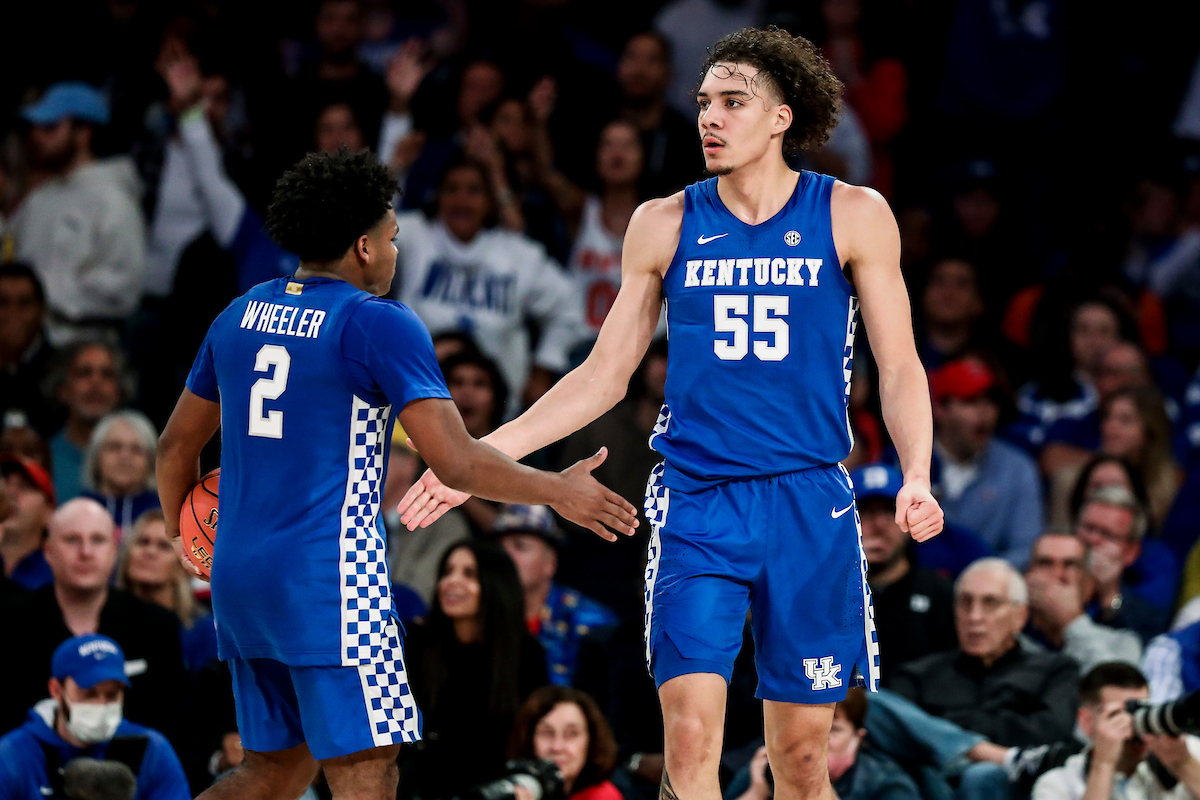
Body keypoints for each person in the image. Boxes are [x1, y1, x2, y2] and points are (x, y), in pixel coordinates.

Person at [399, 27, 945, 800]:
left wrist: (917, 474)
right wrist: (476, 459)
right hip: (698, 501)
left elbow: (899, 365)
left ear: (783, 116)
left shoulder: (853, 213)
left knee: (798, 761)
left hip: (808, 502)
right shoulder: (664, 221)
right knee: (688, 744)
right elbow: (602, 376)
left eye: (732, 102)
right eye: (703, 103)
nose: (709, 118)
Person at [154, 149, 635, 800]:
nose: (395, 252)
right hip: (330, 583)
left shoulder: (239, 314)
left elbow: (173, 450)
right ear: (362, 247)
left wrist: (188, 539)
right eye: (392, 238)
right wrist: (556, 490)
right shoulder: (375, 322)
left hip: (241, 577)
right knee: (369, 770)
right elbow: (456, 461)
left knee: (271, 773)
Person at [392, 157, 587, 410]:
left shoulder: (518, 254)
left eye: (474, 190)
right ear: (438, 197)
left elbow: (569, 306)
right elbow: (366, 236)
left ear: (490, 201)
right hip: (416, 401)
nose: (462, 200)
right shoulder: (413, 234)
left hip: (499, 411)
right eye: (452, 189)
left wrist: (544, 369)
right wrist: (395, 166)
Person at [0, 499, 189, 753]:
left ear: (114, 550)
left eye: (98, 540)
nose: (86, 552)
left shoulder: (157, 625)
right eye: (72, 540)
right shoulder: (8, 621)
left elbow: (177, 723)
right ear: (48, 551)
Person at [401, 540, 550, 800]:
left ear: (496, 585)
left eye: (469, 574)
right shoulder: (417, 642)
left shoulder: (526, 654)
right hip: (418, 786)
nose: (451, 582)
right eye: (447, 571)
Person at [10, 82, 148, 346]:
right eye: (35, 128)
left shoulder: (113, 198)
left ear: (83, 133)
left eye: (50, 127)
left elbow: (123, 287)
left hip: (80, 347)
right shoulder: (39, 198)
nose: (37, 137)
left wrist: (39, 296)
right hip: (25, 347)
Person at [891, 558, 1080, 747]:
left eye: (991, 603)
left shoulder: (1056, 672)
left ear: (1020, 616)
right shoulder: (916, 676)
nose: (974, 617)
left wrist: (945, 723)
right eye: (965, 603)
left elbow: (1052, 733)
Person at [0, 634, 190, 800]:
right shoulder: (13, 754)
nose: (101, 704)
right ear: (56, 690)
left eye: (112, 694)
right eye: (88, 694)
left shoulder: (151, 748)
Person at [931, 356, 1044, 568]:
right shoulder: (903, 463)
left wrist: (979, 577)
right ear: (941, 409)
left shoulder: (1018, 469)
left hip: (989, 589)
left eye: (991, 401)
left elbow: (1027, 549)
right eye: (970, 401)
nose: (985, 413)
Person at [850, 463, 957, 682]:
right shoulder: (827, 594)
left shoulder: (940, 594)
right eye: (865, 512)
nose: (878, 525)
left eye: (890, 511)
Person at [1032, 662, 1200, 800]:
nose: (1133, 723)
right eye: (1118, 714)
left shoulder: (1187, 751)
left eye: (1141, 709)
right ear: (1086, 722)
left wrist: (1184, 764)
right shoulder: (1057, 785)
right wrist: (1103, 766)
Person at [494, 504, 619, 685]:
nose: (505, 556)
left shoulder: (590, 620)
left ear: (550, 562)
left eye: (520, 546)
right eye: (499, 548)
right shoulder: (481, 613)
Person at [725, 689, 921, 800]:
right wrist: (756, 792)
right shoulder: (766, 770)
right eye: (807, 730)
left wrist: (821, 791)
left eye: (834, 731)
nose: (818, 742)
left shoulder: (887, 783)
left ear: (858, 737)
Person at [116, 509, 217, 674]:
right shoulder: (104, 619)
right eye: (143, 542)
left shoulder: (202, 631)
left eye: (163, 546)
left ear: (182, 565)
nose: (150, 552)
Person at [1023, 532, 1142, 671]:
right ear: (1026, 578)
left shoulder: (1121, 643)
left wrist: (1072, 622)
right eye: (1045, 563)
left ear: (1089, 586)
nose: (1057, 574)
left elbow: (1113, 690)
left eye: (1070, 565)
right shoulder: (1008, 638)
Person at [1074, 487, 1170, 643]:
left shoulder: (1146, 618)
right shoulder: (1044, 578)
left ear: (1131, 552)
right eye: (1088, 528)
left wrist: (1109, 596)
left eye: (1107, 534)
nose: (1093, 540)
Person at [508, 685, 623, 800]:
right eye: (547, 733)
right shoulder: (512, 790)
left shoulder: (603, 796)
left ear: (591, 741)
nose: (557, 747)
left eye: (571, 734)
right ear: (529, 739)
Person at [47, 341, 128, 503]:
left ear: (118, 392)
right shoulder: (46, 459)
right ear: (63, 390)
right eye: (84, 373)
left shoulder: (141, 458)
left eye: (107, 374)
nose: (96, 382)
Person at [0, 262, 59, 437]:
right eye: (3, 303)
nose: (13, 313)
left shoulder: (62, 370)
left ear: (41, 311)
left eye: (24, 303)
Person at [81, 411, 161, 535]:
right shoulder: (78, 510)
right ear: (96, 457)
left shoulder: (165, 514)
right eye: (114, 447)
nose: (125, 457)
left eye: (136, 449)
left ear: (151, 461)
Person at [0, 454, 56, 591]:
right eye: (4, 484)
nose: (10, 493)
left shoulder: (60, 573)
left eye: (24, 487)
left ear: (49, 514)